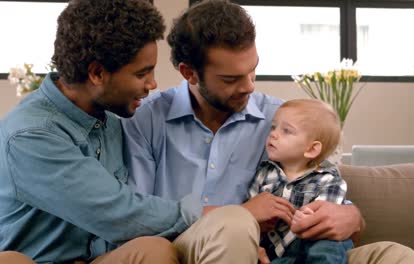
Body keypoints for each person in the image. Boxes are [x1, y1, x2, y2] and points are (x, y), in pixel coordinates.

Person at [122, 0, 414, 263]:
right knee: (235, 225)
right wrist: (242, 215)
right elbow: (136, 216)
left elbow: (318, 181)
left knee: (395, 256)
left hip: (280, 253)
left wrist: (351, 218)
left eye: (253, 70)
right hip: (188, 249)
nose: (249, 86)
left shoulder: (278, 118)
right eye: (231, 78)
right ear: (189, 73)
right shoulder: (145, 119)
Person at [0, 0, 259, 263]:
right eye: (142, 73)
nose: (152, 84)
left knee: (157, 248)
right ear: (97, 73)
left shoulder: (113, 120)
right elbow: (115, 212)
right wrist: (204, 212)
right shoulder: (30, 134)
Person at [248, 99, 353, 263]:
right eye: (274, 127)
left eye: (286, 131)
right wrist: (257, 222)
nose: (274, 134)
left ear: (311, 149)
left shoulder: (328, 180)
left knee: (330, 243)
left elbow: (327, 216)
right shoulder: (264, 173)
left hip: (310, 243)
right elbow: (250, 207)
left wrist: (307, 217)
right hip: (275, 252)